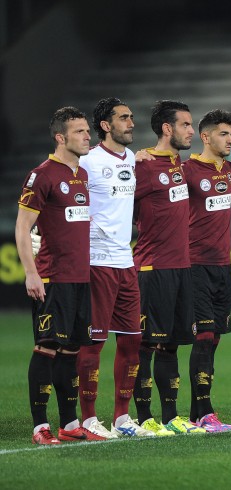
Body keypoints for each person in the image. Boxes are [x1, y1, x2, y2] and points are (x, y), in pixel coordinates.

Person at [16, 106, 105, 444]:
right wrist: (31, 273)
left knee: (71, 350)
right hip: (52, 277)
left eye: (87, 130)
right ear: (60, 137)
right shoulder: (42, 175)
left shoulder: (80, 175)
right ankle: (40, 427)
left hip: (80, 277)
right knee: (47, 347)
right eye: (80, 131)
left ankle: (70, 424)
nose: (87, 136)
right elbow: (22, 228)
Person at [74, 98, 154, 439]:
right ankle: (89, 419)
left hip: (126, 261)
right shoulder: (88, 161)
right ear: (106, 125)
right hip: (96, 263)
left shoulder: (134, 161)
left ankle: (122, 418)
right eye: (124, 118)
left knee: (133, 342)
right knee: (93, 344)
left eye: (132, 117)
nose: (131, 123)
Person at [132, 100, 205, 435]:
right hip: (152, 268)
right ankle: (144, 417)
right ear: (167, 128)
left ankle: (171, 417)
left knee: (172, 343)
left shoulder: (178, 163)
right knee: (145, 343)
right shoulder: (142, 166)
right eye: (186, 125)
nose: (192, 131)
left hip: (181, 267)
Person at [183, 109, 231, 432]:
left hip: (222, 267)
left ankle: (197, 414)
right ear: (205, 137)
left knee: (214, 338)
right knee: (202, 336)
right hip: (195, 265)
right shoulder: (187, 171)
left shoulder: (230, 171)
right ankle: (205, 413)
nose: (230, 139)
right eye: (223, 134)